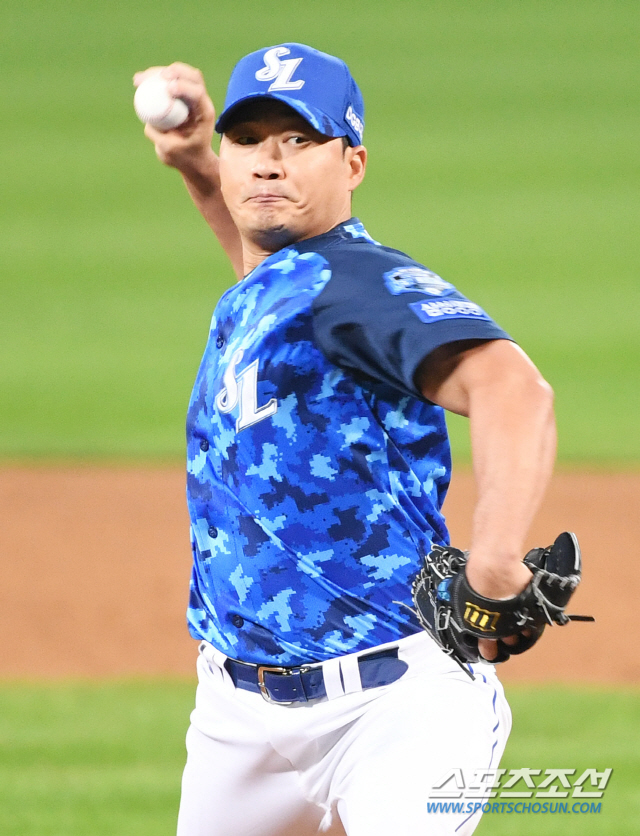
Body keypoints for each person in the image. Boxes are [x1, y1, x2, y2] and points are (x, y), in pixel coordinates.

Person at [135, 43, 556, 836]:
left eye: (298, 140)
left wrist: (498, 562)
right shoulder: (282, 281)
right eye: (247, 140)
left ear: (353, 164)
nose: (268, 162)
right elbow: (268, 273)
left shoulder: (359, 281)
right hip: (236, 719)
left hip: (395, 711)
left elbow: (514, 389)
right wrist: (195, 166)